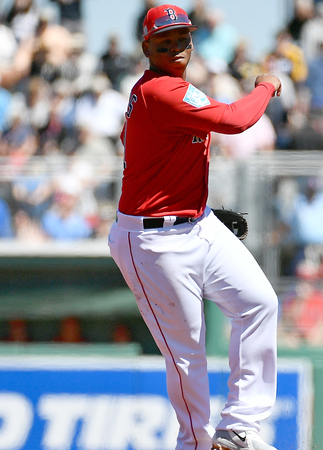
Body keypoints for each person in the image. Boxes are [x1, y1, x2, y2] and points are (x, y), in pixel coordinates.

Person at [107, 5, 282, 450]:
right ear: (147, 47)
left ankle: (240, 426)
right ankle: (196, 445)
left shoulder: (174, 89)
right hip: (152, 241)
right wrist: (266, 85)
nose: (175, 47)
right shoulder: (159, 90)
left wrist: (184, 202)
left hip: (196, 223)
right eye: (164, 41)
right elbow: (237, 120)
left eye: (182, 38)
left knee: (259, 303)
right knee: (188, 358)